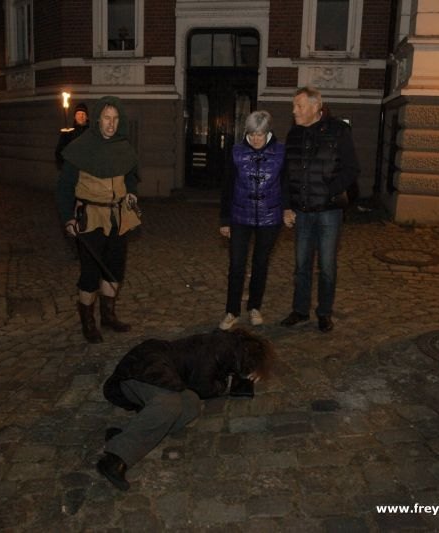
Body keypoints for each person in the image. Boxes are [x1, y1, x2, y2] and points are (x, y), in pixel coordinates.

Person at [95, 327, 274, 491]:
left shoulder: (228, 350)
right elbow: (203, 386)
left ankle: (128, 434)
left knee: (190, 404)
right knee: (169, 405)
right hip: (143, 367)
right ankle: (115, 458)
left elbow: (200, 386)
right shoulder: (220, 348)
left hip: (161, 374)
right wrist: (227, 386)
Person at [57, 96, 141, 343]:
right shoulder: (80, 148)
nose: (111, 124)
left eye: (115, 119)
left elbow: (130, 176)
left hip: (118, 218)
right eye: (106, 118)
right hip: (91, 218)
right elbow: (64, 188)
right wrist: (68, 218)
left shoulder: (124, 147)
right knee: (90, 272)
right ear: (97, 119)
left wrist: (131, 193)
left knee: (114, 268)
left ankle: (108, 316)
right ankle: (88, 322)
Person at [279, 86, 360, 332]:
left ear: (316, 107)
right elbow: (286, 174)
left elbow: (352, 169)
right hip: (302, 212)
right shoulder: (294, 134)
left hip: (329, 212)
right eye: (294, 106)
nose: (294, 111)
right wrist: (287, 206)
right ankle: (300, 311)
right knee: (301, 266)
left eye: (299, 106)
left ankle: (324, 313)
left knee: (327, 267)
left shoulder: (339, 131)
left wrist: (328, 191)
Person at [218, 110, 285, 330]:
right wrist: (224, 219)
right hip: (239, 216)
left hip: (270, 217)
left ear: (268, 132)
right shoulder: (236, 152)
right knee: (236, 264)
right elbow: (227, 185)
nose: (256, 139)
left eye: (260, 134)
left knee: (260, 264)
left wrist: (287, 209)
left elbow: (286, 183)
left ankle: (255, 306)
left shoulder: (281, 152)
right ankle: (232, 311)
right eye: (252, 134)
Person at [55, 102, 89, 169]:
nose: (81, 116)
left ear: (87, 117)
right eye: (78, 114)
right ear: (74, 117)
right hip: (72, 168)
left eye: (83, 114)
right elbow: (59, 152)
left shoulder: (91, 132)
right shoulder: (68, 133)